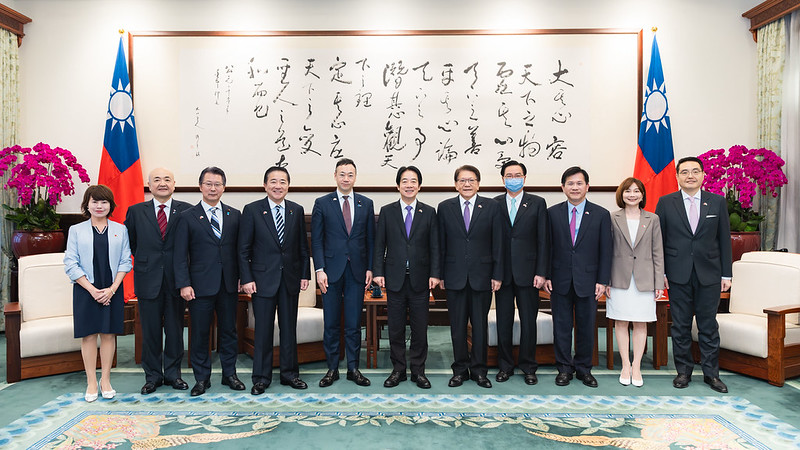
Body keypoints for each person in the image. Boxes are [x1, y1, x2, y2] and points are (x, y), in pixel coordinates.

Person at [655, 156, 732, 393]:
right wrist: (662, 272)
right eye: (685, 172)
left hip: (709, 274)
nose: (690, 176)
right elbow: (659, 241)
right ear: (677, 176)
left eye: (695, 171)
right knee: (680, 325)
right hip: (677, 274)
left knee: (708, 326)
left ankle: (711, 374)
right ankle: (683, 372)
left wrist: (726, 274)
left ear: (703, 175)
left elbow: (724, 239)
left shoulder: (717, 202)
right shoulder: (666, 202)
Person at [239, 166, 311, 394]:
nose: (278, 186)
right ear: (265, 185)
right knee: (263, 331)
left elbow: (302, 247)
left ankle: (290, 375)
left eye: (282, 182)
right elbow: (243, 250)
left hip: (290, 279)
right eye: (273, 181)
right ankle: (261, 378)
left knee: (289, 330)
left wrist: (305, 274)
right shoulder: (252, 210)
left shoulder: (296, 210)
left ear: (288, 186)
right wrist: (246, 278)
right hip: (261, 280)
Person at [173, 166, 244, 396]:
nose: (213, 188)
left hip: (228, 284)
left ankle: (230, 374)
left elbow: (241, 251)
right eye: (208, 184)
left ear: (224, 187)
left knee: (229, 332)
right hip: (199, 286)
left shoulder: (234, 215)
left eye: (217, 184)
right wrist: (184, 283)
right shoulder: (187, 217)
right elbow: (180, 254)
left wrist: (242, 278)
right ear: (200, 186)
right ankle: (202, 379)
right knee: (200, 334)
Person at [125, 168, 192, 395]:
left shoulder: (187, 210)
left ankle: (173, 374)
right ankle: (152, 376)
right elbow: (132, 243)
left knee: (175, 330)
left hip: (176, 280)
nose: (162, 183)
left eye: (167, 179)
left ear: (174, 184)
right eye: (157, 180)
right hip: (147, 279)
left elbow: (190, 245)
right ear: (149, 185)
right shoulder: (136, 212)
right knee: (150, 331)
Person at [373, 166, 440, 389]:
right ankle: (398, 370)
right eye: (404, 181)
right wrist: (378, 272)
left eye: (413, 181)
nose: (409, 185)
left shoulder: (429, 212)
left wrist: (435, 274)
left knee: (420, 328)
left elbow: (435, 247)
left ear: (419, 186)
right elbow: (379, 245)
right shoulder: (387, 211)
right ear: (398, 185)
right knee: (396, 328)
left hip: (421, 278)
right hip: (394, 278)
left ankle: (418, 371)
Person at [64, 185, 132, 402]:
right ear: (87, 205)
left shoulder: (120, 229)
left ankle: (106, 380)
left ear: (111, 205)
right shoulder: (76, 230)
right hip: (86, 289)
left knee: (109, 334)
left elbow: (125, 261)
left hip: (112, 288)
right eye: (95, 202)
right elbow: (70, 263)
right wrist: (93, 290)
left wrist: (112, 289)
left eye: (104, 202)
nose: (99, 206)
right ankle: (91, 381)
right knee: (89, 335)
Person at [545, 166, 612, 388]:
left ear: (587, 186)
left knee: (586, 326)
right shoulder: (552, 213)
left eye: (579, 183)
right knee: (561, 327)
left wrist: (602, 280)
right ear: (563, 187)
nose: (575, 187)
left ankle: (584, 369)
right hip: (559, 279)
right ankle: (564, 369)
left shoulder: (601, 214)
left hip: (589, 281)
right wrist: (546, 275)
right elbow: (546, 247)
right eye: (570, 183)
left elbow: (606, 250)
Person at [438, 165, 503, 389]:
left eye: (471, 180)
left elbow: (498, 243)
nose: (467, 184)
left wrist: (497, 274)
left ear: (478, 183)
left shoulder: (492, 207)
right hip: (454, 276)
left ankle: (479, 371)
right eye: (462, 180)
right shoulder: (445, 207)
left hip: (482, 276)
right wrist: (440, 274)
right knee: (457, 327)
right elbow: (440, 244)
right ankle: (459, 371)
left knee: (479, 326)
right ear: (456, 184)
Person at [311, 158, 374, 387]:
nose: (346, 178)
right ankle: (332, 368)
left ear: (355, 177)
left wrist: (370, 268)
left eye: (350, 174)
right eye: (342, 174)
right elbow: (316, 240)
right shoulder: (322, 203)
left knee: (354, 323)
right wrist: (319, 269)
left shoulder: (366, 203)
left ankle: (353, 368)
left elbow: (371, 239)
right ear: (335, 176)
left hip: (357, 271)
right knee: (331, 323)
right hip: (330, 272)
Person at [493, 160, 549, 385]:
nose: (513, 179)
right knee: (503, 321)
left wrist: (541, 272)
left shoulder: (537, 203)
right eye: (509, 175)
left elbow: (543, 240)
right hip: (503, 274)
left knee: (528, 322)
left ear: (524, 178)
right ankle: (505, 366)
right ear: (503, 179)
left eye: (517, 175)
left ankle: (528, 366)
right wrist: (494, 273)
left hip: (529, 274)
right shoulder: (494, 204)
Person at [605, 177, 664, 387]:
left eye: (636, 191)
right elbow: (606, 251)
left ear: (642, 195)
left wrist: (659, 283)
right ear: (621, 194)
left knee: (641, 323)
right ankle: (625, 365)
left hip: (644, 279)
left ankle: (637, 366)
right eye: (628, 191)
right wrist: (605, 280)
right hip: (618, 278)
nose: (632, 195)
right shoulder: (612, 218)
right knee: (620, 322)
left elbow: (658, 252)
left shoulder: (653, 219)